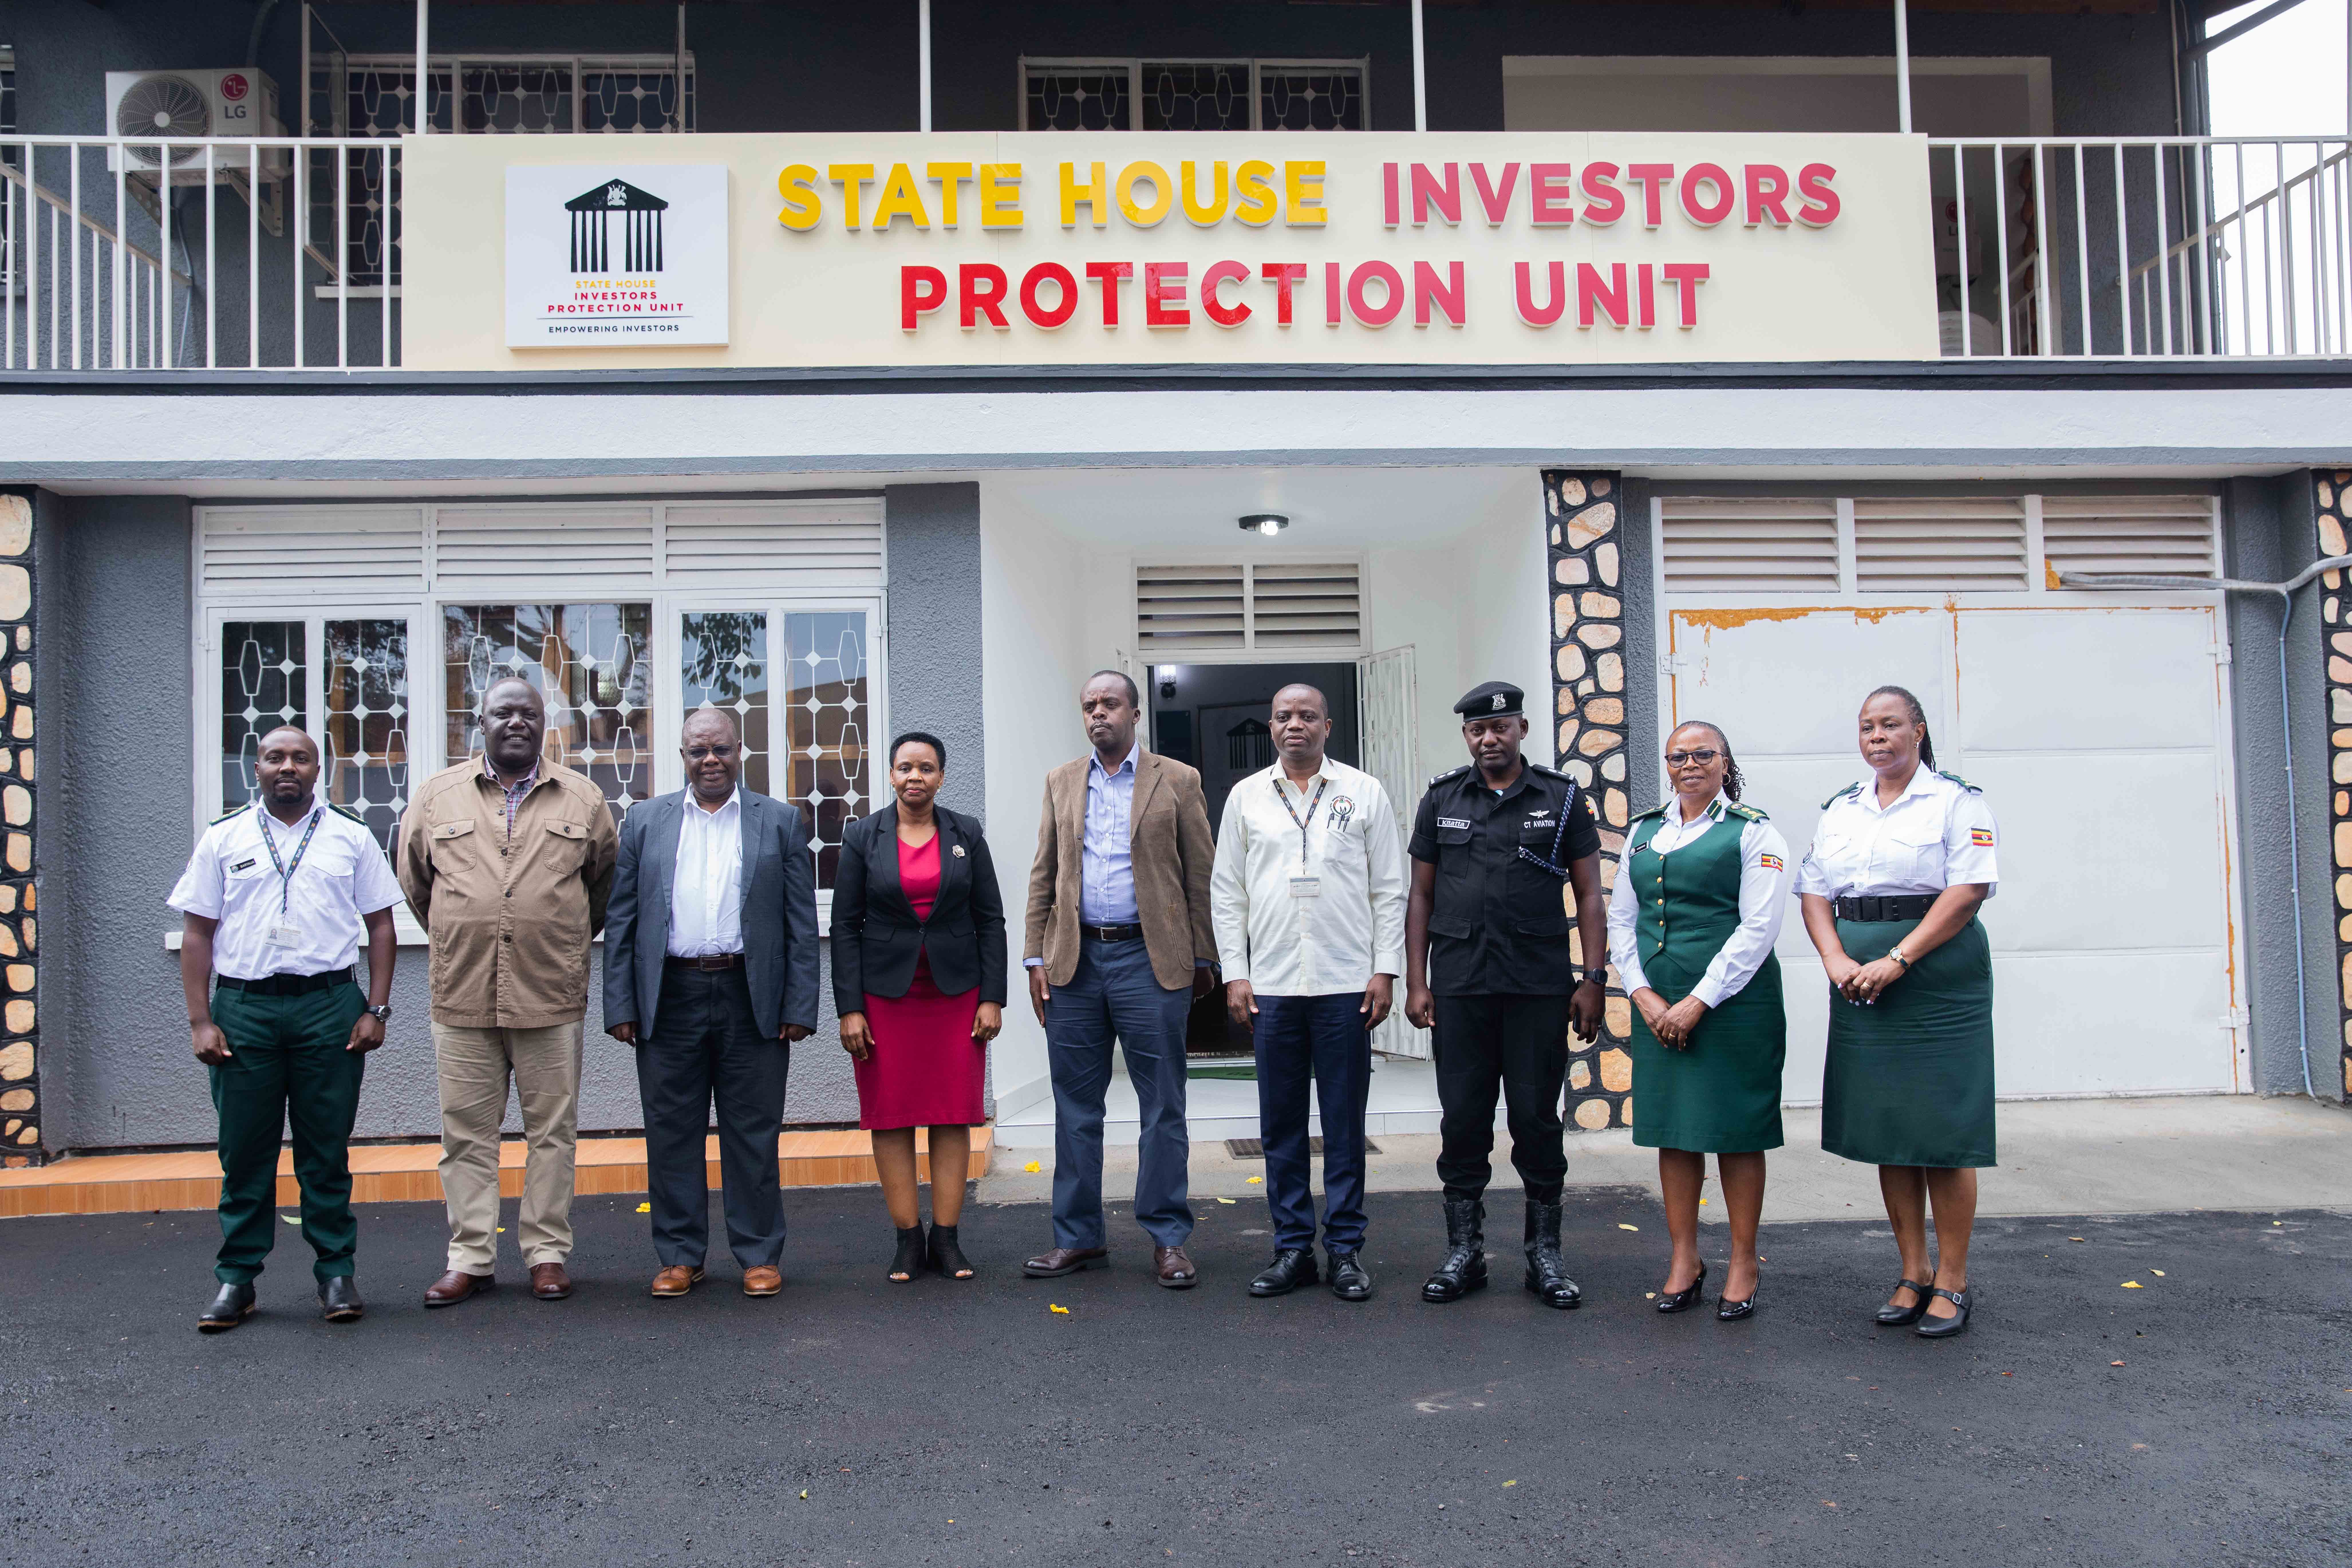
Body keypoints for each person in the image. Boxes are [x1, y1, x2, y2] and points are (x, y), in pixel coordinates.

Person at [169, 727, 402, 1332]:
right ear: (258, 769)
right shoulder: (224, 838)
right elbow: (197, 934)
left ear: (318, 769)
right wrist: (201, 1020)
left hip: (328, 1005)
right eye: (275, 758)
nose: (287, 767)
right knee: (245, 1152)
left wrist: (375, 1010)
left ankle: (335, 1272)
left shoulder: (351, 837)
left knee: (325, 1151)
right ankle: (237, 1280)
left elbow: (381, 927)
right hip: (244, 1010)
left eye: (300, 757)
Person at [397, 676, 619, 1308]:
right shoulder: (438, 798)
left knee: (553, 1131)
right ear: (482, 720)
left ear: (544, 722)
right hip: (463, 995)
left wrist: (559, 938)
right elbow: (418, 885)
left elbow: (601, 886)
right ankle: (470, 1258)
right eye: (503, 712)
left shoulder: (581, 798)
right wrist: (457, 934)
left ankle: (547, 1254)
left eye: (528, 712)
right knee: (467, 1135)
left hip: (549, 993)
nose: (516, 722)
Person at [1797, 685, 1999, 1340]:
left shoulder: (1956, 801)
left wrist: (1899, 960)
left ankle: (1954, 1279)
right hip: (1858, 978)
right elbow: (1814, 890)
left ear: (1917, 731)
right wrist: (1834, 961)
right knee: (1889, 1127)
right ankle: (1912, 1271)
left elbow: (1967, 891)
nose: (1876, 737)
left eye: (1889, 725)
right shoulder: (1841, 810)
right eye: (1866, 728)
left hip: (1935, 978)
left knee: (1941, 1131)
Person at [603, 708, 820, 1299]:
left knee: (753, 1130)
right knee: (671, 1129)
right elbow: (622, 918)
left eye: (720, 750)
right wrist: (620, 1002)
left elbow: (802, 921)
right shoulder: (646, 821)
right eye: (698, 751)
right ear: (682, 758)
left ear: (739, 752)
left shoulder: (778, 821)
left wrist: (800, 1005)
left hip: (752, 992)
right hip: (668, 995)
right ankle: (679, 1256)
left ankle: (757, 1254)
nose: (710, 761)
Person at [1404, 681, 1606, 1311]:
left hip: (1536, 990)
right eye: (1476, 731)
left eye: (1500, 728)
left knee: (1536, 1123)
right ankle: (1463, 1254)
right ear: (1467, 736)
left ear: (1521, 729)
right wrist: (1417, 980)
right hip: (1461, 989)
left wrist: (1593, 980)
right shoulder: (1442, 799)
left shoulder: (1561, 797)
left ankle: (1544, 1256)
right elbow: (1420, 897)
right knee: (1462, 1123)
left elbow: (1591, 895)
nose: (1488, 738)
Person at [1022, 671, 1219, 1289]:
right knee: (1075, 1108)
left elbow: (1200, 875)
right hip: (1074, 964)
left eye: (1109, 704)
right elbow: (1044, 874)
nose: (1098, 714)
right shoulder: (1061, 781)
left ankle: (1167, 1239)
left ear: (1136, 713)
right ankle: (1078, 1239)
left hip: (1149, 961)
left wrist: (1206, 962)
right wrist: (1035, 958)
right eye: (1088, 706)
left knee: (1162, 1105)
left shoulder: (1178, 780)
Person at [1213, 683, 1406, 1303]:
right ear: (1270, 727)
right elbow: (1227, 893)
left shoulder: (1363, 791)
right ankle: (1292, 1247)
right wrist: (1235, 974)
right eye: (1283, 717)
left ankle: (1346, 1251)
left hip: (1346, 983)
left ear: (1327, 725)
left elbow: (1388, 890)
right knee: (1282, 1126)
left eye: (1307, 716)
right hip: (1270, 986)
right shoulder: (1245, 797)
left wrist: (1386, 969)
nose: (1295, 725)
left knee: (1345, 1124)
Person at [1609, 721, 1791, 1322]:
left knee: (1736, 1132)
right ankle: (1684, 1258)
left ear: (1723, 761)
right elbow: (1621, 921)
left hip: (1734, 1006)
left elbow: (1758, 928)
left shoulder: (1752, 830)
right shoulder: (1643, 831)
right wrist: (1642, 994)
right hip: (1657, 1005)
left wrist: (1698, 1000)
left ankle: (1744, 1260)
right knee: (1675, 1131)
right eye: (1678, 757)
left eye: (1702, 755)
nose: (1689, 765)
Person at [833, 732, 1007, 1282]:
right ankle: (908, 1240)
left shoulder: (966, 834)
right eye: (905, 767)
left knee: (953, 1113)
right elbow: (844, 927)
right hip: (887, 998)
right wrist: (850, 1008)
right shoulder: (863, 836)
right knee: (892, 1116)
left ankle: (948, 1240)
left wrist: (992, 997)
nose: (916, 777)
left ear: (941, 776)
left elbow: (991, 920)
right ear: (890, 775)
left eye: (927, 768)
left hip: (956, 998)